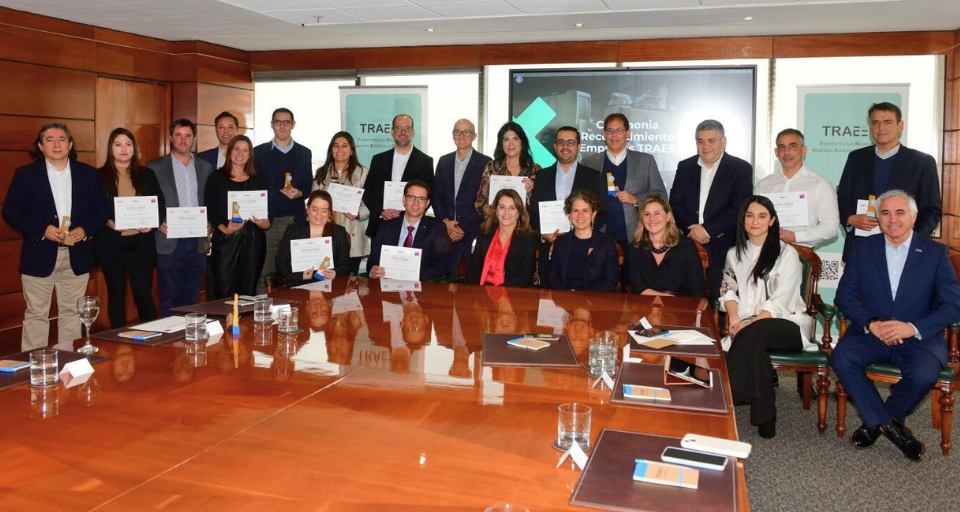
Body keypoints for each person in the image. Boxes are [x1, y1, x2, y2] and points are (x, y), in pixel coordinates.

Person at [831, 189, 960, 462]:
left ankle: (877, 422)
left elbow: (952, 305)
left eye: (900, 212)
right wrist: (871, 323)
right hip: (872, 333)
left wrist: (912, 327)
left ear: (913, 217)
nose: (892, 219)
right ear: (878, 218)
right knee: (842, 357)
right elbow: (845, 296)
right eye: (885, 213)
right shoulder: (863, 248)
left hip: (919, 336)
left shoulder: (936, 253)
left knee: (924, 374)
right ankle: (893, 429)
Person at [3, 123, 108, 350]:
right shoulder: (26, 175)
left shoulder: (88, 174)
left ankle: (68, 362)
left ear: (70, 145)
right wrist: (42, 229)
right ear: (41, 146)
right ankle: (34, 365)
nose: (57, 144)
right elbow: (11, 211)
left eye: (62, 139)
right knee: (36, 314)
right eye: (49, 140)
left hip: (77, 255)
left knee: (71, 313)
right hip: (38, 254)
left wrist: (85, 230)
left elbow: (102, 209)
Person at [719, 196, 812, 439]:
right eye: (750, 215)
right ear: (743, 220)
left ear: (772, 220)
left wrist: (747, 324)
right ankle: (764, 415)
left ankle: (729, 393)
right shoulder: (734, 254)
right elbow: (728, 291)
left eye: (762, 216)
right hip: (748, 330)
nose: (755, 221)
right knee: (755, 345)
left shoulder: (787, 254)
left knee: (756, 332)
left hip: (788, 325)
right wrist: (734, 319)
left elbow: (780, 302)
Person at [837, 102, 941, 262]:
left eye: (887, 122)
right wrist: (850, 218)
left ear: (900, 126)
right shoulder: (856, 158)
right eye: (875, 122)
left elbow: (931, 210)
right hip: (861, 247)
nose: (881, 128)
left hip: (905, 250)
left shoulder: (922, 162)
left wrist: (912, 241)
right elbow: (843, 198)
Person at [669, 119, 753, 297]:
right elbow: (675, 202)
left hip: (725, 246)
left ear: (723, 142)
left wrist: (707, 230)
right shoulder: (685, 166)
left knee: (722, 299)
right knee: (688, 298)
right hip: (689, 243)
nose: (705, 146)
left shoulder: (740, 168)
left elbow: (739, 207)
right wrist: (692, 231)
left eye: (711, 141)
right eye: (700, 141)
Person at [142, 118, 213, 317]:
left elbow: (210, 200)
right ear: (171, 138)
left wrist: (211, 222)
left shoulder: (205, 167)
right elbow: (147, 199)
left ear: (194, 139)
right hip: (169, 240)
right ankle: (169, 334)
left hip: (197, 241)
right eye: (178, 135)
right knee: (169, 297)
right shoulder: (154, 166)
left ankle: (187, 333)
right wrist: (157, 222)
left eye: (188, 136)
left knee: (192, 297)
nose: (183, 140)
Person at [582, 113, 667, 269]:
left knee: (635, 280)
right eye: (610, 130)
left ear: (628, 133)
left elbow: (661, 196)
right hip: (600, 235)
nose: (614, 135)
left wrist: (636, 199)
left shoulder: (645, 161)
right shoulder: (589, 162)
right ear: (603, 134)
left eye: (619, 130)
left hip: (637, 235)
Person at [93, 127, 158, 328]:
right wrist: (107, 220)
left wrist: (152, 223)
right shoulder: (98, 176)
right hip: (112, 244)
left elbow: (160, 204)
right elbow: (92, 207)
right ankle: (118, 338)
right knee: (116, 294)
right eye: (118, 145)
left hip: (141, 243)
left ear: (134, 148)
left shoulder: (147, 174)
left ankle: (151, 335)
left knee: (143, 294)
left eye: (128, 144)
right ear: (110, 148)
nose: (124, 149)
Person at [529, 126, 606, 282]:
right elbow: (534, 211)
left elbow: (602, 211)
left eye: (571, 142)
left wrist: (582, 234)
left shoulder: (592, 176)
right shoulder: (542, 176)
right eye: (561, 142)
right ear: (555, 146)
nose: (565, 146)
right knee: (550, 294)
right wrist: (543, 234)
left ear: (579, 146)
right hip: (549, 248)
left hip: (582, 248)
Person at [253, 108, 313, 293]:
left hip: (295, 222)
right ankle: (263, 310)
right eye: (278, 122)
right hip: (268, 224)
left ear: (293, 125)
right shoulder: (259, 152)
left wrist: (300, 193)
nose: (282, 126)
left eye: (286, 122)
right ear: (272, 125)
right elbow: (254, 186)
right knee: (265, 274)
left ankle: (296, 308)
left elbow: (308, 184)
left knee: (297, 272)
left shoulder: (304, 153)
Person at [205, 135, 270, 298]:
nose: (240, 153)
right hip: (225, 240)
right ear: (230, 152)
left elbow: (267, 212)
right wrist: (225, 229)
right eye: (237, 149)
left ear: (250, 155)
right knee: (223, 289)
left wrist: (265, 223)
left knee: (248, 289)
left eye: (245, 150)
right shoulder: (216, 177)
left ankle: (246, 316)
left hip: (253, 242)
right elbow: (210, 208)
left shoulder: (257, 180)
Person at [756, 128, 840, 248]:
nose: (786, 152)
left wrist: (796, 236)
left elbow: (831, 226)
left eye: (793, 146)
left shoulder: (820, 184)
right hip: (766, 251)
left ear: (803, 150)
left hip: (802, 253)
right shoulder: (763, 185)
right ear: (776, 152)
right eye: (782, 147)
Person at [433, 119, 492, 278]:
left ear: (474, 136)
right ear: (453, 135)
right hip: (445, 231)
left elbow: (485, 199)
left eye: (466, 132)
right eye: (457, 132)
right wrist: (445, 222)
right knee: (445, 277)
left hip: (473, 230)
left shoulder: (486, 162)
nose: (461, 136)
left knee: (472, 279)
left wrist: (461, 226)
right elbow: (436, 194)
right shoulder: (444, 161)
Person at [363, 114, 434, 241]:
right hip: (381, 226)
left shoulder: (425, 161)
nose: (403, 132)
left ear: (413, 132)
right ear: (392, 131)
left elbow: (429, 194)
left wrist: (410, 213)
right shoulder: (378, 159)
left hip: (411, 228)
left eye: (407, 128)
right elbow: (368, 192)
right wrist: (381, 211)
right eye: (399, 128)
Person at [367, 180, 449, 281]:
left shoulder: (437, 228)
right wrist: (373, 270)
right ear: (404, 199)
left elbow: (441, 267)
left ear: (427, 203)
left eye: (421, 199)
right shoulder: (387, 226)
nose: (416, 203)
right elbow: (373, 259)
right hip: (387, 285)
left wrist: (411, 275)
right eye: (411, 197)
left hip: (420, 286)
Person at [313, 131, 369, 275]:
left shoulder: (363, 173)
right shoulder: (321, 173)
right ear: (331, 149)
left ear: (352, 150)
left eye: (344, 146)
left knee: (349, 283)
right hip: (325, 235)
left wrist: (358, 214)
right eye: (336, 145)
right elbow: (313, 203)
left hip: (353, 235)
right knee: (323, 279)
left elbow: (370, 206)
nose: (339, 149)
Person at [627, 194, 704, 297]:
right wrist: (667, 300)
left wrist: (673, 304)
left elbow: (697, 289)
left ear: (668, 216)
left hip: (682, 304)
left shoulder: (686, 246)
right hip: (646, 303)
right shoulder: (636, 247)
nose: (652, 219)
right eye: (647, 214)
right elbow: (638, 287)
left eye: (657, 213)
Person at [546, 189, 618, 292]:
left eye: (585, 210)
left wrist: (581, 295)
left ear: (593, 214)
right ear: (569, 214)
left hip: (593, 298)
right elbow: (552, 278)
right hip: (564, 298)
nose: (580, 215)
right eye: (575, 210)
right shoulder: (560, 241)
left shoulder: (606, 243)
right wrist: (567, 294)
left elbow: (610, 282)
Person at [275, 190, 351, 287]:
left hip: (329, 286)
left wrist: (335, 273)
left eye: (324, 211)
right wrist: (300, 276)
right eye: (315, 209)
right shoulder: (293, 230)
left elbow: (345, 265)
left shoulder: (339, 232)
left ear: (329, 213)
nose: (319, 214)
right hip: (298, 285)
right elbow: (281, 263)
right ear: (308, 210)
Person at [465, 189, 538, 287]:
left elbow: (525, 276)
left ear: (519, 212)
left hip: (512, 292)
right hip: (482, 292)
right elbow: (473, 271)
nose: (506, 212)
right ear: (496, 210)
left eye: (512, 208)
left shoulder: (529, 238)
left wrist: (501, 293)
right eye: (502, 207)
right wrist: (476, 293)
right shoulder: (485, 234)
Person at [474, 121, 541, 217]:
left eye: (515, 139)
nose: (511, 144)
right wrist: (496, 213)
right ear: (501, 144)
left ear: (522, 142)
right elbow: (480, 202)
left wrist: (530, 193)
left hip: (526, 224)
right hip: (497, 223)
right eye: (506, 139)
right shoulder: (492, 167)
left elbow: (541, 206)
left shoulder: (534, 169)